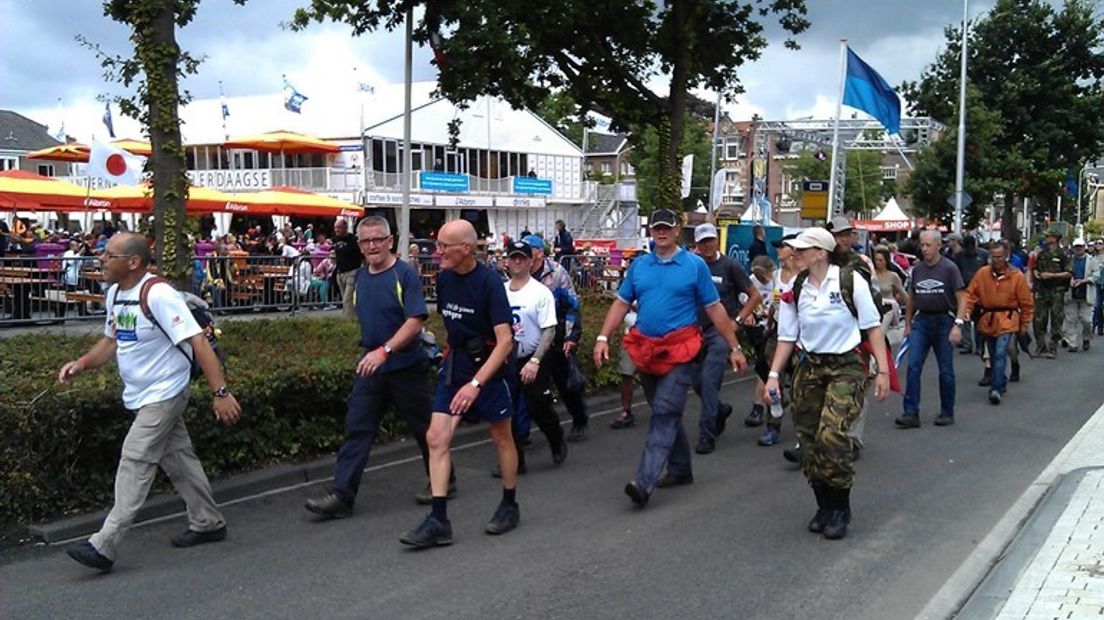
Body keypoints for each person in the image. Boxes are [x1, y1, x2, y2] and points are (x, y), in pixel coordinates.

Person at [58, 232, 241, 572]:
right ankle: (208, 521)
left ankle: (105, 544)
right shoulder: (115, 293)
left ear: (133, 262)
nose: (100, 258)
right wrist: (81, 364)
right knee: (179, 459)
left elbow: (199, 344)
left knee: (136, 458)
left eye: (108, 254)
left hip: (165, 392)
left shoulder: (158, 294)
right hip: (142, 394)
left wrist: (221, 393)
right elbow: (111, 341)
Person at [593, 209, 748, 508]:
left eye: (666, 227)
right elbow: (621, 303)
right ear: (651, 231)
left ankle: (644, 481)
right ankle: (680, 469)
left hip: (681, 350)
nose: (661, 232)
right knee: (664, 409)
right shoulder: (639, 266)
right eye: (656, 227)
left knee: (664, 410)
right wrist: (602, 337)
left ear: (677, 230)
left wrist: (734, 346)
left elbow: (715, 309)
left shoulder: (694, 266)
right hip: (646, 349)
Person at [305, 216, 451, 518]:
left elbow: (415, 322)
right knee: (357, 428)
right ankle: (342, 496)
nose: (372, 246)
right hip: (372, 367)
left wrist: (384, 351)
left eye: (378, 239)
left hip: (406, 365)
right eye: (366, 241)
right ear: (358, 245)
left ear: (389, 240)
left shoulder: (404, 274)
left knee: (424, 428)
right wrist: (373, 353)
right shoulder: (360, 277)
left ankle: (444, 480)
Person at [764, 228, 890, 540]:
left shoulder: (849, 281)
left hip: (844, 367)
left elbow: (872, 327)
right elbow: (787, 336)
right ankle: (823, 505)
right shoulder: (798, 285)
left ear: (821, 252)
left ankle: (840, 508)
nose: (797, 254)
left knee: (832, 434)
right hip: (809, 367)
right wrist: (774, 375)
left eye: (804, 249)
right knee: (808, 440)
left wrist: (883, 371)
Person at [399, 220, 518, 548]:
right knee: (436, 437)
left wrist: (476, 384)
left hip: (489, 368)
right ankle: (439, 520)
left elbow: (505, 341)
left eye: (443, 246)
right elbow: (452, 324)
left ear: (466, 248)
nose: (436, 253)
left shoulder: (490, 283)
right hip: (456, 366)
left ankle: (509, 504)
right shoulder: (445, 279)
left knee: (500, 437)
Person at [691, 223, 759, 454]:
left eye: (710, 240)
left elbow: (754, 296)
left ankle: (706, 435)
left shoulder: (730, 266)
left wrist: (737, 321)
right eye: (703, 242)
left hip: (720, 332)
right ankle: (719, 409)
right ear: (697, 245)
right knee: (697, 382)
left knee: (710, 382)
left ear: (716, 240)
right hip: (693, 332)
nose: (707, 246)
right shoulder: (692, 265)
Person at [501, 240, 568, 472]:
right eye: (513, 257)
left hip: (533, 356)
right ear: (506, 261)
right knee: (505, 409)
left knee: (537, 405)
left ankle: (556, 438)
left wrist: (535, 361)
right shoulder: (500, 291)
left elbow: (549, 329)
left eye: (522, 257)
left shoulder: (541, 293)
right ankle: (515, 460)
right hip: (507, 359)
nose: (517, 262)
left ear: (531, 261)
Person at [897, 230, 966, 428]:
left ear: (938, 246)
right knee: (913, 366)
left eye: (928, 245)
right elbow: (912, 297)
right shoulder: (917, 270)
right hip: (922, 321)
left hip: (944, 320)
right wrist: (908, 324)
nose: (924, 249)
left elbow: (962, 298)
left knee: (945, 370)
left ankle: (946, 411)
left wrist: (958, 325)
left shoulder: (949, 268)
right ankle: (911, 412)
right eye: (922, 245)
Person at [525, 234, 589, 441]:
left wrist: (572, 337)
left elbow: (573, 305)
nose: (523, 255)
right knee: (529, 386)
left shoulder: (557, 272)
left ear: (539, 252)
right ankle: (524, 432)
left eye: (529, 249)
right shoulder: (518, 271)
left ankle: (580, 421)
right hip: (530, 336)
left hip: (557, 333)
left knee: (565, 384)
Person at [962, 240, 1034, 405]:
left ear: (1007, 256)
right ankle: (999, 381)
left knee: (1001, 352)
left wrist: (1024, 324)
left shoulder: (1017, 276)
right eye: (993, 257)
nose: (996, 260)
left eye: (1000, 257)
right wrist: (966, 311)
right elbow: (970, 294)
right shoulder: (982, 274)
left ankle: (995, 389)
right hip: (988, 319)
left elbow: (1026, 303)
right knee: (993, 356)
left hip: (1008, 319)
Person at [1032, 228, 1071, 358]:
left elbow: (1068, 273)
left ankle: (1053, 347)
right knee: (1038, 319)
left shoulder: (1062, 254)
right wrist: (1036, 273)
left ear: (1054, 238)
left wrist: (1053, 275)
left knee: (1056, 319)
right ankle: (1041, 346)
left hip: (1056, 290)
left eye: (1048, 236)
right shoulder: (1042, 253)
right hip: (1042, 290)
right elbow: (1035, 268)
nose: (1046, 238)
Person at [1064, 238, 1099, 352]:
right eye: (1076, 247)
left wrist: (1084, 281)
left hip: (1086, 293)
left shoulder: (1092, 260)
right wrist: (1071, 281)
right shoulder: (1069, 260)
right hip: (1072, 293)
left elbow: (1096, 275)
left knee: (1086, 320)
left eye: (1080, 246)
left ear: (1084, 247)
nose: (1078, 249)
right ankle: (1072, 343)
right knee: (1071, 319)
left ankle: (1086, 337)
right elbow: (1065, 273)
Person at [332, 218, 362, 319]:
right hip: (340, 273)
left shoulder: (353, 240)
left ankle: (347, 322)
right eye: (335, 228)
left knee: (347, 299)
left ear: (345, 227)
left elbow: (360, 255)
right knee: (344, 298)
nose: (337, 230)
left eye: (339, 228)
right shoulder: (335, 239)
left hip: (352, 272)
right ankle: (353, 317)